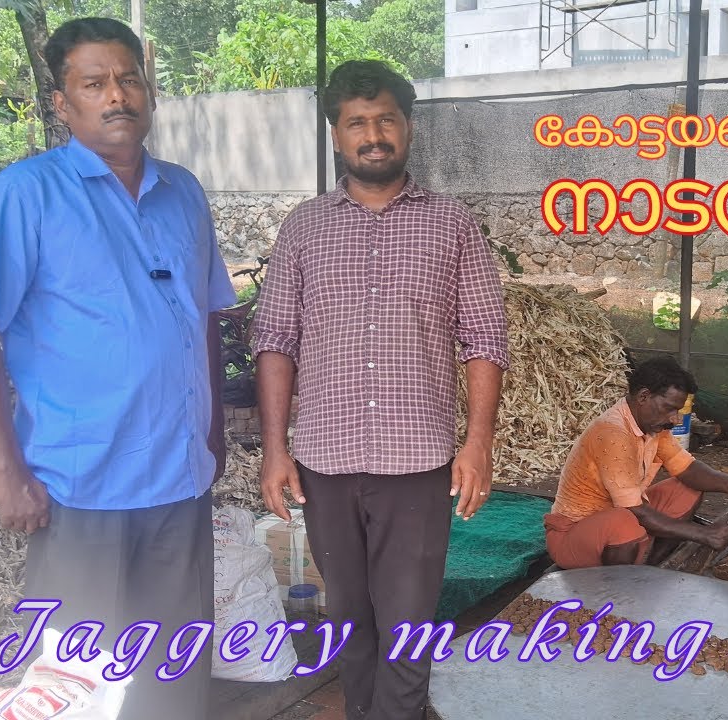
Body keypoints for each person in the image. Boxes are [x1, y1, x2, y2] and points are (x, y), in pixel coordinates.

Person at [0, 17, 234, 720]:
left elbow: (202, 318)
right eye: (95, 83)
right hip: (79, 487)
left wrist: (214, 427)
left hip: (177, 479)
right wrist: (6, 469)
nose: (118, 96)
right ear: (62, 102)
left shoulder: (184, 192)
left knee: (173, 677)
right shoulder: (25, 195)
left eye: (129, 78)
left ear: (149, 88)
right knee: (80, 686)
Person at [251, 59, 509, 720]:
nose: (373, 134)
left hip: (417, 463)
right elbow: (275, 339)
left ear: (408, 128)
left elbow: (485, 338)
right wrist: (274, 449)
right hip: (325, 462)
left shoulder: (452, 225)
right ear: (336, 136)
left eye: (386, 119)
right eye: (357, 123)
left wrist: (477, 444)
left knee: (407, 627)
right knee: (352, 621)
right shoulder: (304, 227)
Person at [544, 357, 728, 569]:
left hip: (618, 521)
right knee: (624, 522)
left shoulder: (652, 427)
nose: (675, 419)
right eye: (670, 408)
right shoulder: (613, 432)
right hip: (573, 536)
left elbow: (686, 468)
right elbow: (635, 511)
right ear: (644, 396)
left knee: (686, 489)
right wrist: (704, 534)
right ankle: (616, 594)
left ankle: (655, 568)